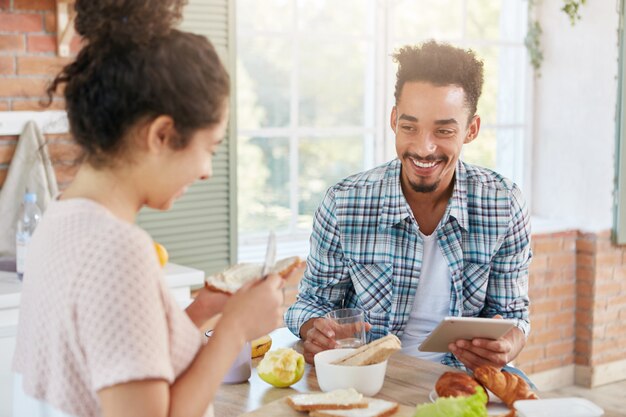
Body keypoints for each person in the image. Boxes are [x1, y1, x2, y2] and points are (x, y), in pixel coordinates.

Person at [12, 1, 285, 417]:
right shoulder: (117, 250)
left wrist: (202, 312)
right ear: (161, 134)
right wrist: (235, 330)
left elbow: (114, 356)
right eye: (209, 148)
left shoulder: (61, 216)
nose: (208, 172)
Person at [285, 40, 531, 374]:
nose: (424, 148)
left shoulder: (503, 204)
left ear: (471, 130)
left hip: (463, 377)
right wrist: (314, 329)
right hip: (370, 375)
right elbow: (309, 305)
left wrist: (509, 344)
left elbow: (514, 315)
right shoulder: (345, 203)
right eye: (409, 127)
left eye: (443, 130)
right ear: (393, 119)